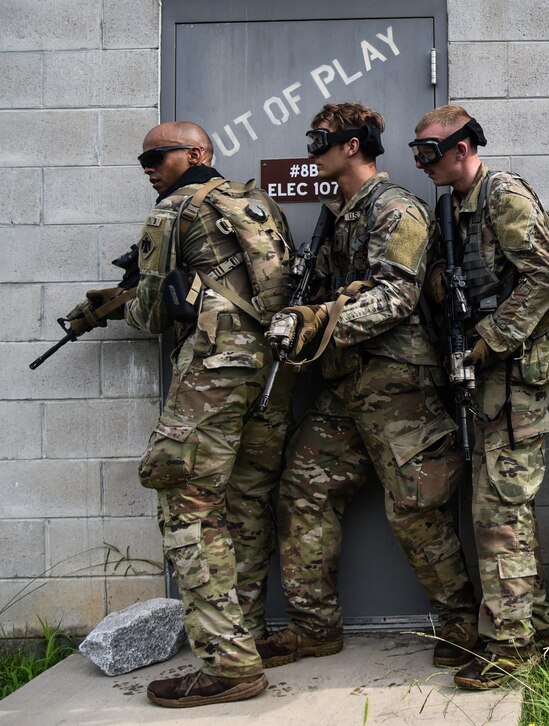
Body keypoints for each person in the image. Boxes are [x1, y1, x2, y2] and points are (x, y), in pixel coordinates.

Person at [260, 102, 477, 671]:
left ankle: (462, 624)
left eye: (319, 139)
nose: (312, 149)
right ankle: (314, 628)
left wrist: (318, 324)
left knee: (415, 509)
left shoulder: (396, 210)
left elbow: (396, 298)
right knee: (303, 490)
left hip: (396, 384)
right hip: (343, 385)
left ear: (351, 145)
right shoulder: (340, 213)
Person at [125, 121, 295, 707]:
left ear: (196, 154)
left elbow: (149, 317)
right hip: (269, 375)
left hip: (213, 374)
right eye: (143, 158)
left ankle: (230, 665)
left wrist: (133, 298)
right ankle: (243, 633)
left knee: (188, 507)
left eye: (157, 156)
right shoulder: (256, 202)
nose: (147, 166)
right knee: (244, 506)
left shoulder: (170, 211)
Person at [412, 105, 549, 689]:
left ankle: (509, 648)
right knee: (503, 513)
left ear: (462, 148)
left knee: (498, 514)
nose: (422, 163)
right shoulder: (451, 206)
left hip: (514, 378)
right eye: (416, 152)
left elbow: (547, 274)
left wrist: (491, 337)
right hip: (481, 380)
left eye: (429, 151)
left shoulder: (501, 194)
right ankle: (534, 632)